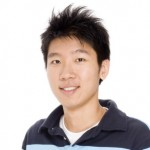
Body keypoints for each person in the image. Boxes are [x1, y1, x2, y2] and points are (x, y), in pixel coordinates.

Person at [22, 5, 150, 150]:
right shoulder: (34, 137)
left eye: (79, 59)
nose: (66, 74)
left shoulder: (138, 137)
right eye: (56, 61)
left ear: (103, 68)